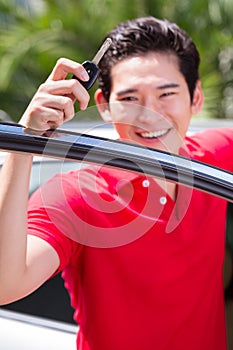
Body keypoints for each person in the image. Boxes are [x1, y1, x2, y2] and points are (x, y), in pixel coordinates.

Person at [0, 16, 232, 350]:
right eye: (130, 99)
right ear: (105, 107)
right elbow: (7, 284)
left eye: (166, 94)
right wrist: (25, 142)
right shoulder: (77, 195)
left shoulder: (216, 161)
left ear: (196, 98)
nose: (150, 114)